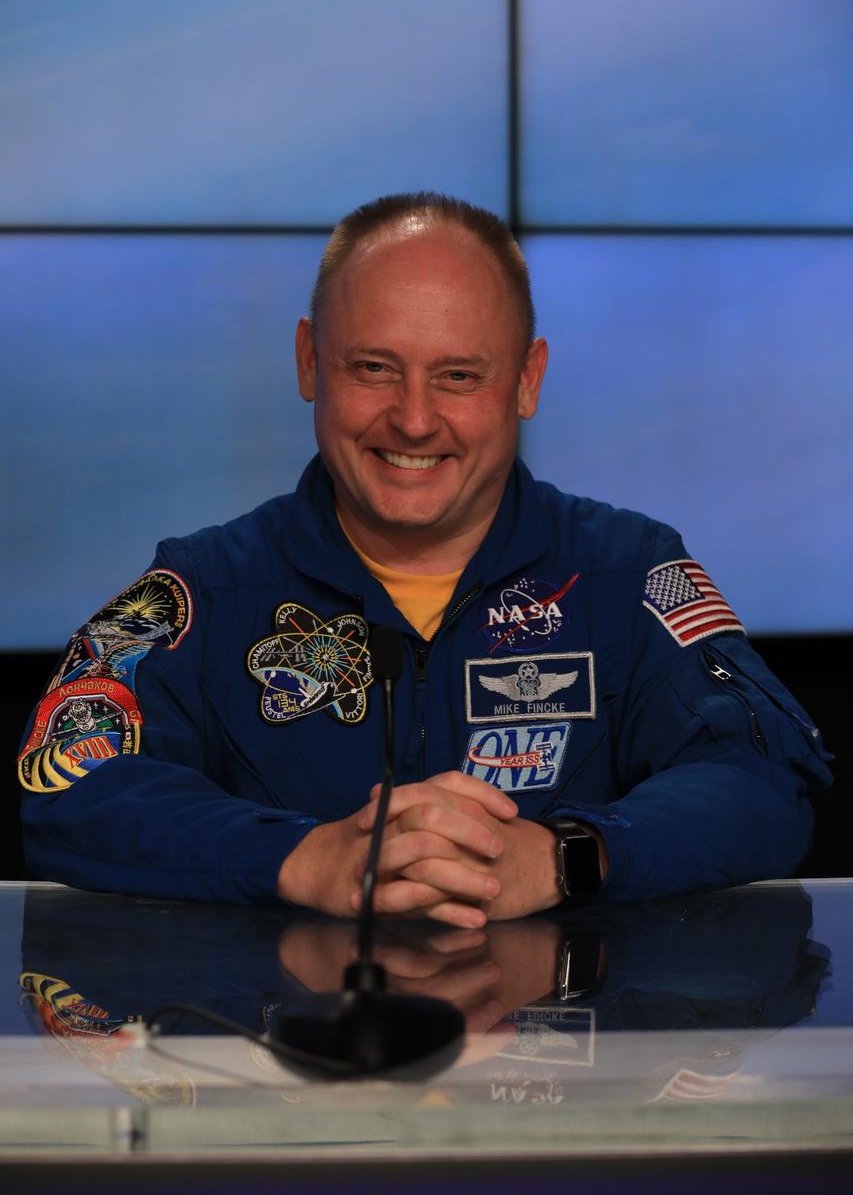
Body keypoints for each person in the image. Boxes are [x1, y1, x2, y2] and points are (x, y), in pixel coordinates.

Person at [18, 193, 832, 924]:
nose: (412, 421)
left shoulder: (627, 572)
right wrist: (299, 860)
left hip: (565, 1072)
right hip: (284, 1068)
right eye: (373, 368)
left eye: (457, 376)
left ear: (525, 380)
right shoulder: (200, 588)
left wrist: (561, 857)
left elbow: (766, 773)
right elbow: (67, 782)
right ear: (308, 361)